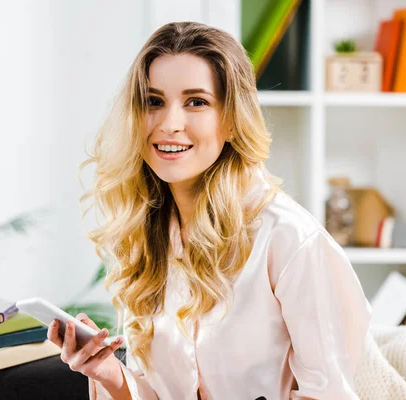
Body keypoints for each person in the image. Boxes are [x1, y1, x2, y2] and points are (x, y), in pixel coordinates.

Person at [47, 21, 372, 399]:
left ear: (232, 120)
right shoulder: (146, 237)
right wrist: (108, 373)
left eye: (196, 102)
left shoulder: (290, 240)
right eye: (154, 101)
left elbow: (329, 394)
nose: (169, 124)